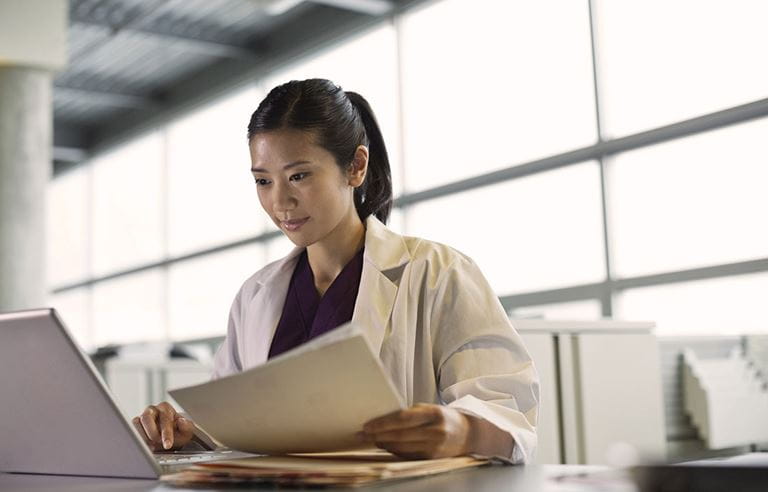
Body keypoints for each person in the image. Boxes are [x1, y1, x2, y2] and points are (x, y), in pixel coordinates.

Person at [133, 78, 539, 463]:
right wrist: (185, 432)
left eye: (299, 175)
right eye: (263, 181)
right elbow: (231, 423)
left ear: (355, 167)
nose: (280, 202)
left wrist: (462, 430)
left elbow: (506, 404)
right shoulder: (255, 295)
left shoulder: (437, 272)